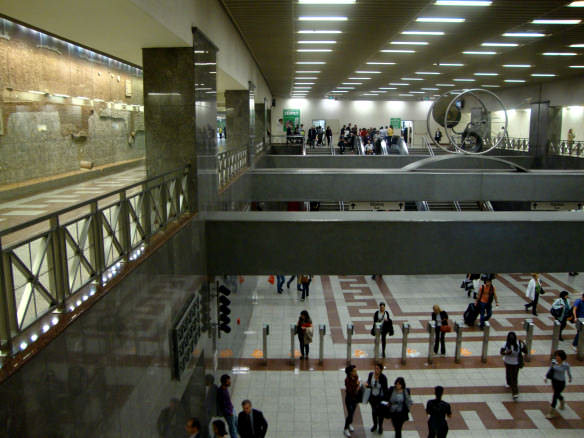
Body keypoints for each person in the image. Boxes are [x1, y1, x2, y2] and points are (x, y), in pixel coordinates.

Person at [544, 350, 572, 418]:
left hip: (561, 382)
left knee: (555, 396)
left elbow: (568, 373)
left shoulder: (566, 365)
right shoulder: (553, 362)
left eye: (558, 356)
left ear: (562, 357)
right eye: (556, 356)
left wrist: (570, 378)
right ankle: (562, 400)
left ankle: (551, 412)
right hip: (554, 381)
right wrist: (546, 377)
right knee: (557, 393)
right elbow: (550, 370)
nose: (556, 357)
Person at [500, 331, 525, 400]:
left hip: (515, 363)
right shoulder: (505, 344)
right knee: (509, 374)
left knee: (513, 377)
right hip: (509, 362)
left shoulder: (518, 344)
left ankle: (515, 392)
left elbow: (525, 350)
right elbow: (502, 352)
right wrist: (506, 353)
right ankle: (509, 383)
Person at [365, 362, 388, 434]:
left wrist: (386, 400)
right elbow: (368, 383)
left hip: (380, 397)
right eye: (375, 368)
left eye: (378, 369)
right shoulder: (371, 374)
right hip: (372, 397)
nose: (376, 370)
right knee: (374, 411)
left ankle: (380, 426)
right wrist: (367, 384)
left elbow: (385, 389)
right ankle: (375, 425)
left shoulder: (383, 378)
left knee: (380, 413)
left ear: (381, 370)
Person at [343, 365, 360, 437]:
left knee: (352, 413)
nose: (356, 372)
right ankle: (346, 428)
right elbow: (350, 390)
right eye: (354, 371)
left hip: (355, 399)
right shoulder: (347, 380)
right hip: (349, 399)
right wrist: (357, 386)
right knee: (350, 414)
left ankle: (349, 424)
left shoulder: (356, 377)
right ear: (350, 372)